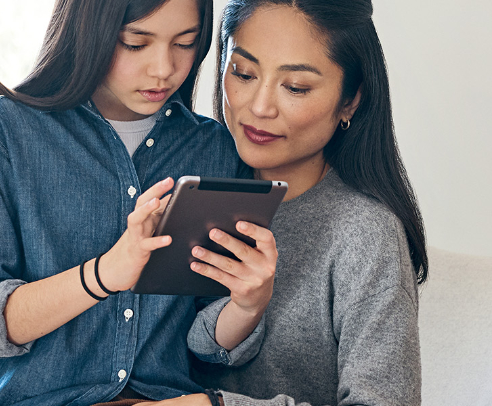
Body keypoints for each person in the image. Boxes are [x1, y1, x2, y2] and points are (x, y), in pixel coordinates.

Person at [0, 0, 265, 404]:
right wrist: (104, 274)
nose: (163, 69)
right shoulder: (0, 134)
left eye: (184, 43)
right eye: (136, 43)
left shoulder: (215, 149)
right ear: (88, 30)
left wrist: (247, 306)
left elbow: (205, 345)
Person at [137, 0, 429, 405]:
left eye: (295, 87)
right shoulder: (186, 187)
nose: (259, 107)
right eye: (243, 73)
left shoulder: (366, 233)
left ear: (350, 100)